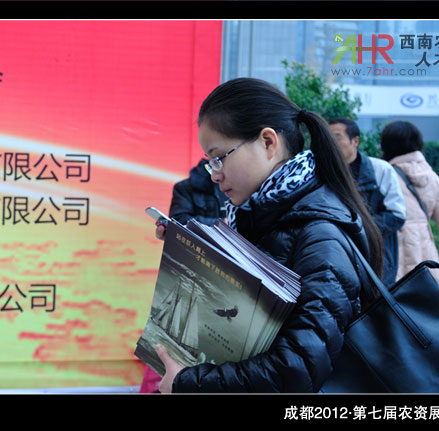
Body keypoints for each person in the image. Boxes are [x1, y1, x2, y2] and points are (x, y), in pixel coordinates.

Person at [155, 77, 383, 393]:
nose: (215, 175)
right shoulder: (260, 217)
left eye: (219, 157)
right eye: (210, 163)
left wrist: (188, 384)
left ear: (268, 142)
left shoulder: (321, 237)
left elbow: (295, 370)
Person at [141, 158, 228, 393]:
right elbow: (180, 223)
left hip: (229, 287)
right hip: (192, 278)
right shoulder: (186, 188)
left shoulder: (247, 185)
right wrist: (225, 225)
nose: (220, 175)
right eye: (215, 156)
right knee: (167, 349)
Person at [380, 121, 439, 295]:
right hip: (425, 256)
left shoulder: (384, 175)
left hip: (394, 257)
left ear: (386, 145)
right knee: (429, 306)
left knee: (395, 307)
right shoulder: (432, 177)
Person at [328, 118, 406, 287]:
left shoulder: (380, 170)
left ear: (355, 141)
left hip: (376, 262)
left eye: (337, 137)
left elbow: (397, 216)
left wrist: (357, 227)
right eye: (328, 137)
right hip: (336, 261)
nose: (331, 143)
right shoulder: (323, 173)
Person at [154, 158, 228, 241]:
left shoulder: (235, 185)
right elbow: (179, 220)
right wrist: (221, 224)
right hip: (195, 244)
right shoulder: (185, 187)